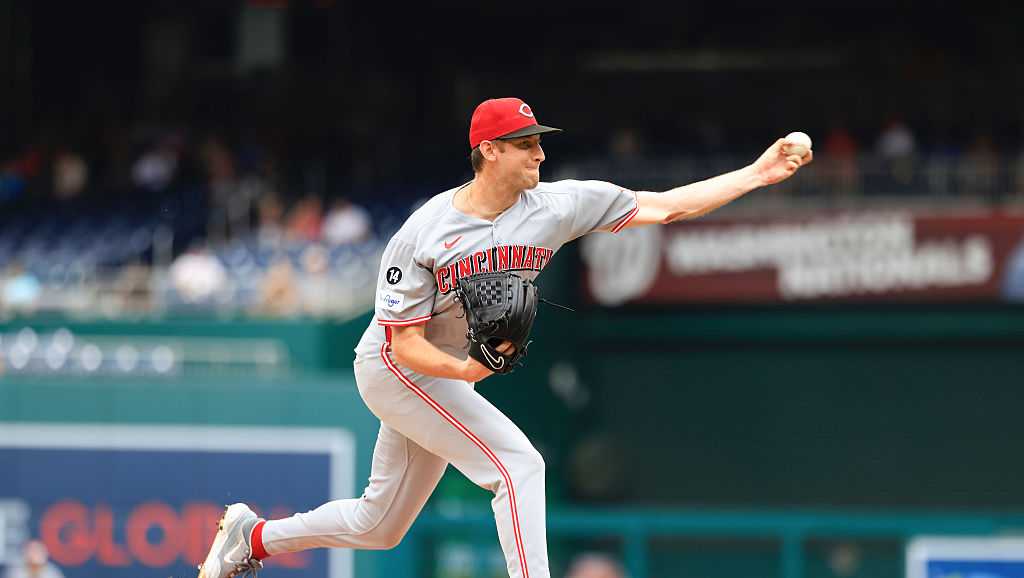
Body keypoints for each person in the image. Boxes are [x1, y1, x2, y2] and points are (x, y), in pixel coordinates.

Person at [196, 97, 811, 578]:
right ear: (489, 151)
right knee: (518, 466)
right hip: (395, 369)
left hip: (435, 372)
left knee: (379, 523)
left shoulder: (557, 205)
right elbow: (403, 343)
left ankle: (250, 538)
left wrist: (757, 173)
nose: (538, 154)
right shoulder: (424, 232)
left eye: (539, 142)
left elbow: (666, 206)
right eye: (525, 144)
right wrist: (468, 371)